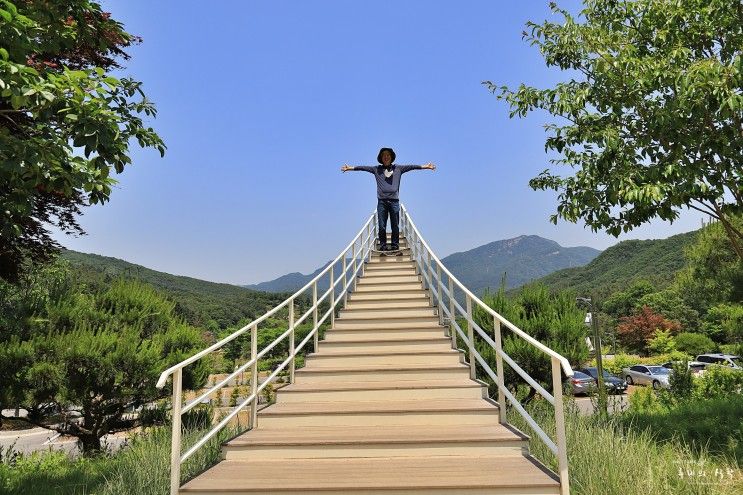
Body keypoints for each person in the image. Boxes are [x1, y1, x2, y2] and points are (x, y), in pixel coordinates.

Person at [341, 147, 436, 251]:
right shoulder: (376, 169)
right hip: (382, 202)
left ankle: (395, 246)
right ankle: (383, 246)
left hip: (394, 201)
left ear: (391, 157)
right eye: (384, 155)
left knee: (395, 225)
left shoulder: (398, 168)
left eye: (388, 155)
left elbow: (412, 167)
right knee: (382, 225)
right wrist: (350, 168)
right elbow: (363, 168)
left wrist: (426, 166)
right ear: (381, 158)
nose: (386, 157)